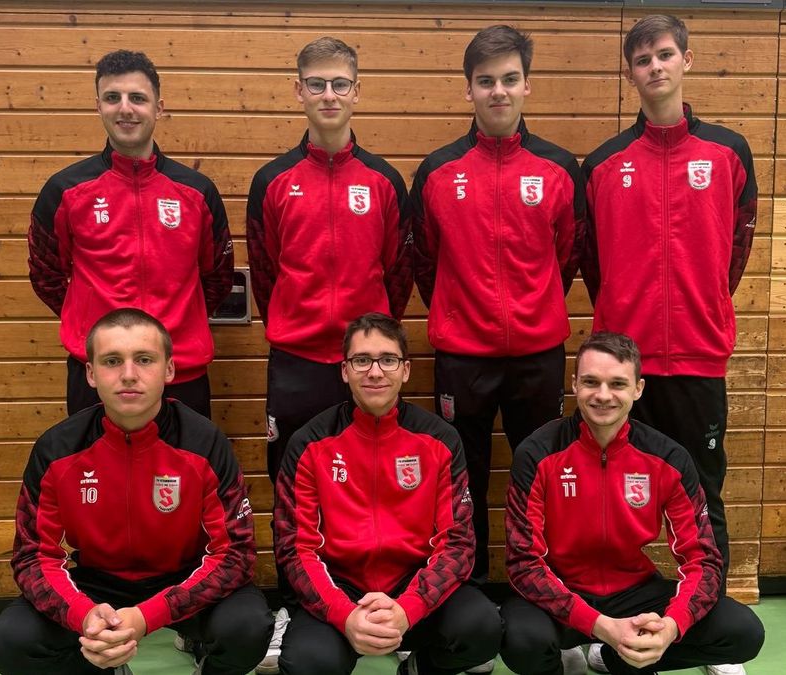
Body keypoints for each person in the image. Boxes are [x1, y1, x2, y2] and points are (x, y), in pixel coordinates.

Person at [579, 16, 757, 674]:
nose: (654, 66)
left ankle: (707, 629)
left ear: (685, 60)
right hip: (621, 370)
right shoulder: (603, 164)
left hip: (696, 356)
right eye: (642, 58)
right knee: (604, 499)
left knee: (702, 496)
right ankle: (601, 623)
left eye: (663, 54)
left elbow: (736, 246)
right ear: (629, 72)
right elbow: (591, 261)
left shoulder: (728, 152)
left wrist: (704, 303)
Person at [0, 308, 273, 675]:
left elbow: (235, 555)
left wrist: (147, 616)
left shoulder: (204, 443)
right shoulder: (57, 449)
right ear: (90, 373)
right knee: (10, 642)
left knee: (248, 627)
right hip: (97, 585)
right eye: (112, 361)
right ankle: (100, 667)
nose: (129, 374)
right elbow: (32, 557)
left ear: (169, 369)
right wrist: (84, 615)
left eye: (145, 359)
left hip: (184, 578)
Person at [247, 38, 412, 673]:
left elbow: (398, 273)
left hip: (367, 364)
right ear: (298, 91)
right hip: (297, 360)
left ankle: (385, 605)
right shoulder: (273, 181)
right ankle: (295, 607)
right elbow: (266, 272)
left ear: (357, 91)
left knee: (375, 483)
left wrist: (368, 343)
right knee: (292, 487)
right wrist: (298, 321)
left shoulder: (384, 181)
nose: (328, 95)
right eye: (316, 84)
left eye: (340, 83)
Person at [410, 25, 584, 588]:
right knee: (464, 479)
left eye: (510, 79)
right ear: (469, 89)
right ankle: (470, 593)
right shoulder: (437, 171)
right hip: (463, 359)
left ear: (527, 85)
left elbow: (568, 255)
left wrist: (534, 307)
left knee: (540, 477)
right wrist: (459, 311)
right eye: (486, 81)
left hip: (538, 355)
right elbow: (425, 261)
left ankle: (542, 589)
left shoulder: (559, 168)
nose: (498, 91)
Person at [500, 332, 764, 675]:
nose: (603, 395)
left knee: (742, 630)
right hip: (562, 592)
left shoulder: (668, 457)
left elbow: (703, 560)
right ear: (575, 384)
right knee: (521, 639)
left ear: (638, 388)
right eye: (591, 382)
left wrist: (670, 628)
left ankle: (617, 659)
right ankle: (570, 658)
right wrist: (602, 626)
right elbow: (523, 563)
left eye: (617, 384)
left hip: (634, 594)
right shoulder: (538, 453)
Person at [273, 313, 502, 675]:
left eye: (388, 360)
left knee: (482, 627)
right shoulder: (309, 443)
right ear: (345, 371)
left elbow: (458, 544)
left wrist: (408, 608)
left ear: (405, 370)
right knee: (308, 662)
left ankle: (421, 668)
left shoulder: (440, 440)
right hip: (341, 589)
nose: (375, 372)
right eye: (362, 360)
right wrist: (345, 615)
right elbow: (294, 548)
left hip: (415, 585)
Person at [28, 50, 233, 419]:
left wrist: (180, 324)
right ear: (98, 106)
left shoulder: (197, 192)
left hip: (181, 371)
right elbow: (46, 275)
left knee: (187, 459)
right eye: (113, 97)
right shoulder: (65, 191)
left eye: (137, 98)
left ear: (158, 107)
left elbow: (216, 277)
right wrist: (92, 325)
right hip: (99, 374)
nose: (125, 108)